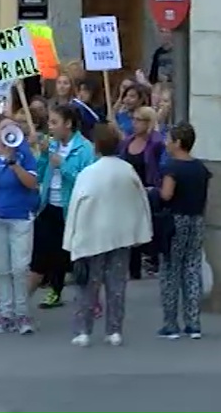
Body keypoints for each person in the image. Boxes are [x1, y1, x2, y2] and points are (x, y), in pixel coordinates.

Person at [64, 124, 152, 347]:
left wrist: (71, 239)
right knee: (117, 285)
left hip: (91, 235)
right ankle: (114, 330)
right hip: (121, 234)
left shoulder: (88, 173)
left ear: (96, 146)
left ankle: (83, 330)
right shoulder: (127, 170)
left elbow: (76, 206)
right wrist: (141, 231)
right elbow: (141, 201)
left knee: (88, 285)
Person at [0, 117, 41, 335]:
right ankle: (6, 313)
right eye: (2, 129)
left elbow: (32, 183)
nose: (7, 132)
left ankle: (23, 313)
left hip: (20, 218)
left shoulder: (25, 156)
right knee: (2, 268)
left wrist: (14, 163)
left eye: (11, 128)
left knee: (20, 268)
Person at [30, 104, 96, 308]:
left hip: (73, 209)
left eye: (54, 122)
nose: (50, 127)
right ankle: (20, 301)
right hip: (50, 205)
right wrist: (42, 157)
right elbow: (41, 175)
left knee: (74, 257)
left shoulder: (85, 149)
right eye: (49, 122)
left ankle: (91, 299)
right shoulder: (52, 146)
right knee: (41, 254)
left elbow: (86, 181)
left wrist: (63, 165)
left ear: (68, 124)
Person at [157, 123, 212, 340]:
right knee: (192, 267)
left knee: (171, 269)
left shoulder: (173, 167)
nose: (166, 143)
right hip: (196, 219)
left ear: (178, 142)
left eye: (169, 139)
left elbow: (167, 195)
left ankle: (171, 324)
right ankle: (194, 323)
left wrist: (157, 193)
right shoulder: (200, 168)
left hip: (175, 220)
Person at [119, 105, 166, 279]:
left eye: (139, 120)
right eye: (134, 119)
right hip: (129, 191)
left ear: (148, 123)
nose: (134, 123)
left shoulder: (156, 143)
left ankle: (152, 259)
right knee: (130, 227)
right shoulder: (127, 142)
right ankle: (133, 268)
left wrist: (155, 188)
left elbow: (162, 167)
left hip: (148, 190)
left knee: (147, 227)